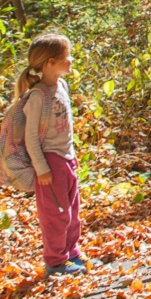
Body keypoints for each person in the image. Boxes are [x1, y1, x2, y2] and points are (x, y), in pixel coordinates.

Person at [15, 34, 96, 277]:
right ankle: (56, 261)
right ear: (50, 63)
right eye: (65, 57)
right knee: (55, 214)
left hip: (66, 159)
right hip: (49, 163)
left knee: (72, 211)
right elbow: (31, 137)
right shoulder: (38, 96)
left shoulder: (62, 86)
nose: (70, 61)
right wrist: (42, 168)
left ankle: (71, 252)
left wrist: (72, 155)